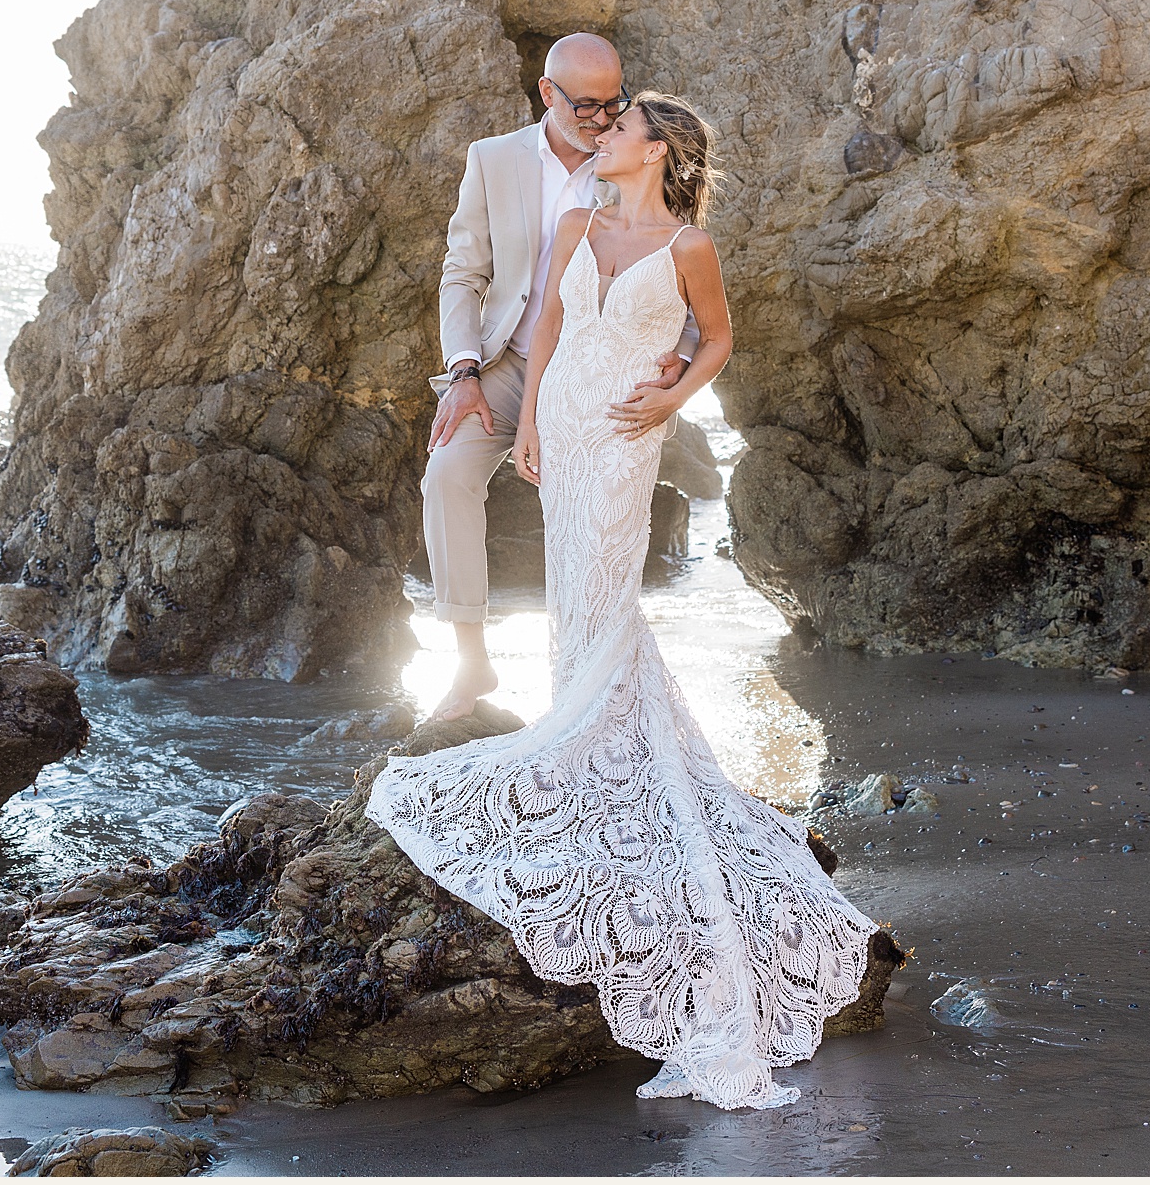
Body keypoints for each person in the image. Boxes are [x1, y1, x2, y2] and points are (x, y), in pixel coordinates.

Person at [369, 93, 878, 1110]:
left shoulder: (689, 244)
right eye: (600, 126)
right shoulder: (574, 224)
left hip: (628, 423)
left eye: (618, 128)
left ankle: (594, 743)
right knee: (572, 587)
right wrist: (529, 427)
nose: (601, 139)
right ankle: (580, 728)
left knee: (606, 573)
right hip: (563, 412)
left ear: (658, 149)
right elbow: (549, 320)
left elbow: (719, 338)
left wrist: (672, 395)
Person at [422, 33, 692, 722]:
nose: (602, 120)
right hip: (509, 364)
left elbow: (680, 265)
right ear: (548, 93)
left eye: (615, 105)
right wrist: (464, 371)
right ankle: (469, 662)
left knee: (591, 532)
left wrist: (680, 359)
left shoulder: (631, 156)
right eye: (587, 106)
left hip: (601, 374)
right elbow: (463, 273)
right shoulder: (491, 161)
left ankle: (591, 696)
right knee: (447, 472)